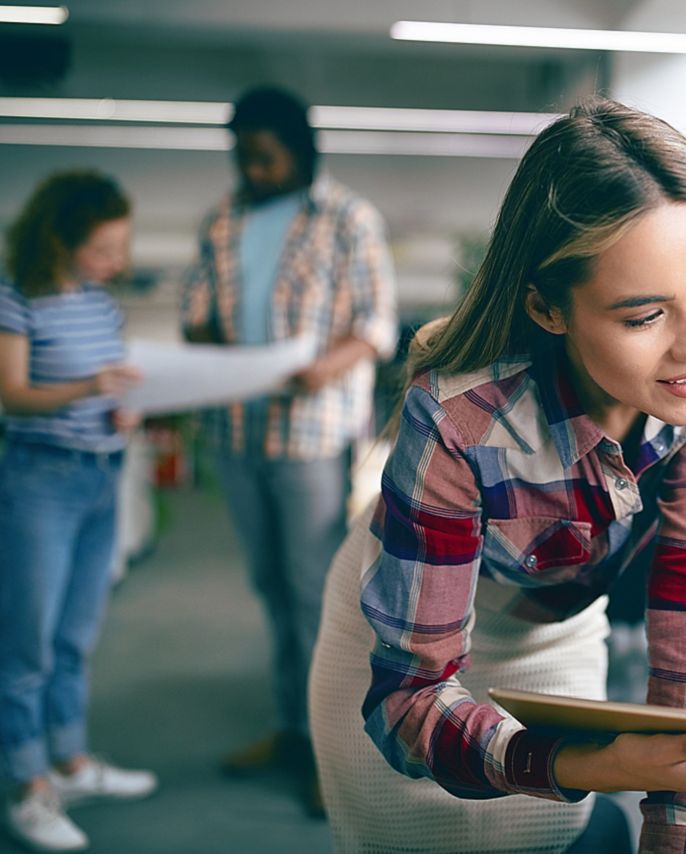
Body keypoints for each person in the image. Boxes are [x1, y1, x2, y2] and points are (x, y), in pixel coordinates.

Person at [308, 98, 686, 854]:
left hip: (550, 624)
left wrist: (676, 824)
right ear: (549, 310)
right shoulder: (461, 416)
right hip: (403, 622)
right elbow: (406, 703)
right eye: (643, 315)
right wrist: (581, 762)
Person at [180, 85, 397, 812]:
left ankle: (328, 747)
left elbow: (376, 324)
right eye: (244, 158)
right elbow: (195, 315)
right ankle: (287, 729)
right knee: (272, 591)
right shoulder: (222, 219)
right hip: (236, 431)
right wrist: (222, 351)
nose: (255, 170)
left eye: (267, 157)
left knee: (313, 595)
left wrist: (317, 369)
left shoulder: (347, 219)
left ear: (301, 152)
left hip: (310, 434)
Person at [0, 171, 157, 853]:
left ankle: (68, 762)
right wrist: (89, 386)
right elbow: (12, 395)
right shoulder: (16, 298)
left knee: (75, 634)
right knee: (27, 642)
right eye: (103, 249)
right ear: (60, 239)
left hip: (102, 476)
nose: (116, 262)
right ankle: (28, 786)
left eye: (120, 247)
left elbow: (109, 386)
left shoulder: (99, 303)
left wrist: (118, 406)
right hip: (41, 481)